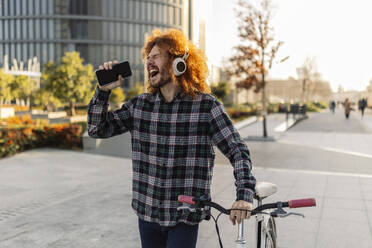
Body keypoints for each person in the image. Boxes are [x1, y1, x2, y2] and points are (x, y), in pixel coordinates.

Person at [87, 29, 256, 248]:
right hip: (147, 213)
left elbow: (237, 150)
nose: (149, 62)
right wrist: (103, 91)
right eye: (148, 58)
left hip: (184, 216)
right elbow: (96, 129)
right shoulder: (139, 106)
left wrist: (244, 195)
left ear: (178, 61)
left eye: (156, 56)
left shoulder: (206, 107)